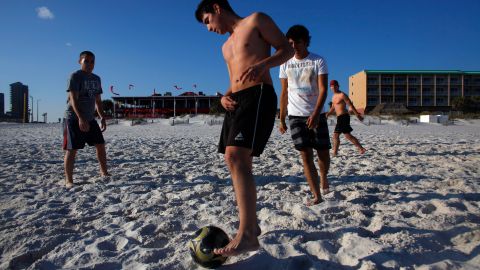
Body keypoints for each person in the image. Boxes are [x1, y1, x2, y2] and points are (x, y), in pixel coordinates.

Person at [195, 0, 293, 256]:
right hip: (236, 102)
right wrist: (224, 96)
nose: (208, 29)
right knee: (237, 162)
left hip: (259, 94)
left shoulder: (256, 20)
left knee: (235, 156)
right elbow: (235, 78)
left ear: (217, 8)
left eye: (207, 21)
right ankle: (253, 225)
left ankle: (247, 234)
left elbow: (286, 50)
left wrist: (264, 64)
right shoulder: (225, 47)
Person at [278, 25, 330, 206]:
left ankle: (323, 176)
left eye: (297, 42)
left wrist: (316, 114)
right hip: (295, 115)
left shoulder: (318, 60)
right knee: (305, 155)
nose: (294, 46)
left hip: (317, 113)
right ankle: (317, 195)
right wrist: (282, 118)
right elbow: (284, 92)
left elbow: (323, 90)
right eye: (290, 43)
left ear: (306, 41)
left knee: (323, 154)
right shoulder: (285, 64)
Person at [63, 51, 110, 188]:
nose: (89, 64)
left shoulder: (96, 79)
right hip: (73, 118)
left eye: (92, 61)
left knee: (100, 145)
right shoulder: (75, 76)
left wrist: (102, 117)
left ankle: (104, 172)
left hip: (90, 118)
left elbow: (98, 101)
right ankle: (69, 180)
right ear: (80, 61)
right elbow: (73, 100)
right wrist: (80, 118)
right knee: (72, 149)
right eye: (86, 61)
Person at [326, 80, 366, 156]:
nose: (333, 87)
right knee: (348, 135)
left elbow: (350, 105)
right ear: (330, 88)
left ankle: (335, 152)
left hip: (344, 117)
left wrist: (357, 114)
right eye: (332, 86)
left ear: (338, 86)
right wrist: (328, 114)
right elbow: (333, 107)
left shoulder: (342, 95)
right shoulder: (333, 96)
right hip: (340, 118)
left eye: (335, 86)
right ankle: (361, 148)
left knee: (336, 135)